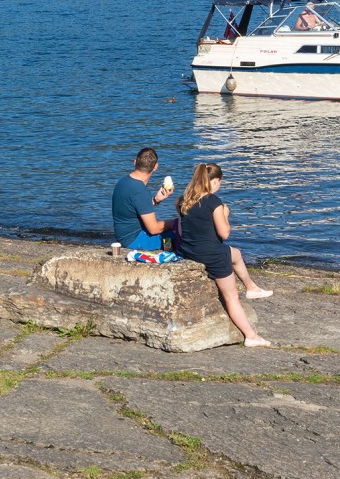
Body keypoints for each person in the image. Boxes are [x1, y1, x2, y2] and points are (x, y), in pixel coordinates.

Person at [173, 164, 272, 347]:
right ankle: (251, 336)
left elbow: (180, 230)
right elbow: (224, 234)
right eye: (219, 182)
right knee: (231, 297)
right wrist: (225, 215)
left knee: (235, 253)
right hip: (212, 255)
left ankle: (251, 287)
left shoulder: (183, 200)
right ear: (214, 181)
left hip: (190, 251)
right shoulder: (214, 202)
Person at [110, 147, 174, 254]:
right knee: (175, 235)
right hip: (134, 241)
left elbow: (133, 207)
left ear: (135, 162)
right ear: (155, 167)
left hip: (123, 236)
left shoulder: (123, 181)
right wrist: (176, 222)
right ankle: (169, 255)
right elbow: (154, 229)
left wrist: (156, 199)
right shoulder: (140, 191)